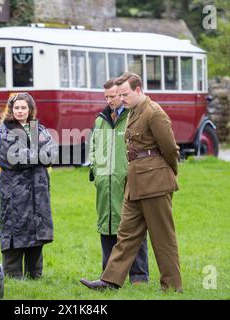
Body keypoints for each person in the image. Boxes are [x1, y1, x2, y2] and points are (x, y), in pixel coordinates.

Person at [80, 72, 182, 292]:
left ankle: (172, 287)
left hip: (154, 184)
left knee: (162, 238)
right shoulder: (135, 111)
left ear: (138, 90)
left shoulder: (154, 113)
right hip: (134, 183)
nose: (121, 98)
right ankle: (110, 281)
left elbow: (170, 149)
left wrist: (169, 173)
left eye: (125, 94)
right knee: (125, 234)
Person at [89, 78, 149, 285]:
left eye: (113, 96)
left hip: (129, 182)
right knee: (106, 227)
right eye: (106, 97)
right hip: (104, 184)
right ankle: (108, 275)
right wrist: (95, 171)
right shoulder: (100, 120)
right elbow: (94, 147)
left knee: (133, 227)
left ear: (122, 94)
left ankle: (139, 276)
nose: (110, 101)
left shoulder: (134, 116)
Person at [0, 92, 57, 279]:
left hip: (37, 190)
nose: (20, 111)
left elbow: (52, 154)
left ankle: (35, 274)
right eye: (17, 108)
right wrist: (38, 155)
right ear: (11, 109)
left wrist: (32, 155)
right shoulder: (5, 130)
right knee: (15, 229)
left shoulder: (39, 129)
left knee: (36, 230)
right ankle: (13, 275)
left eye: (24, 108)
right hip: (14, 191)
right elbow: (12, 158)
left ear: (30, 110)